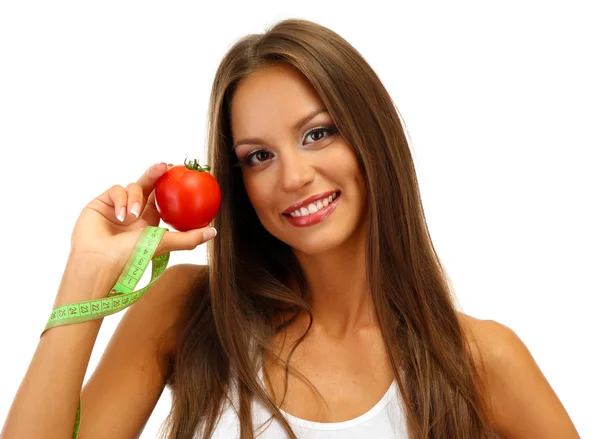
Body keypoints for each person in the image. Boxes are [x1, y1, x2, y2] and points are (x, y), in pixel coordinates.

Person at [1, 18, 580, 439]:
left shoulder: (480, 358)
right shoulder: (188, 313)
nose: (294, 176)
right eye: (257, 156)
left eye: (317, 133)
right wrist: (86, 276)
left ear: (371, 137)